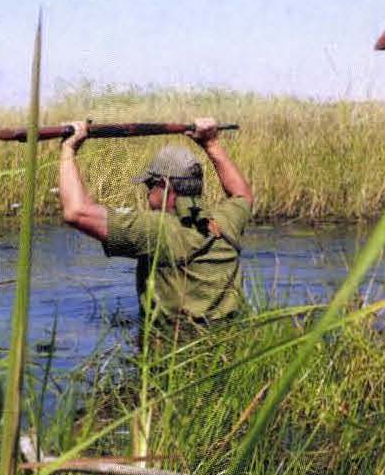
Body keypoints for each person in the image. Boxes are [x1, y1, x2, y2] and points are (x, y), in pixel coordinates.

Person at [58, 117, 254, 344]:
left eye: (150, 185)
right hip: (231, 345)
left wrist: (68, 149)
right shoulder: (226, 220)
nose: (146, 193)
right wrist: (211, 144)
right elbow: (243, 195)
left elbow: (76, 212)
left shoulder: (155, 230)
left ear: (165, 185)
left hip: (174, 357)